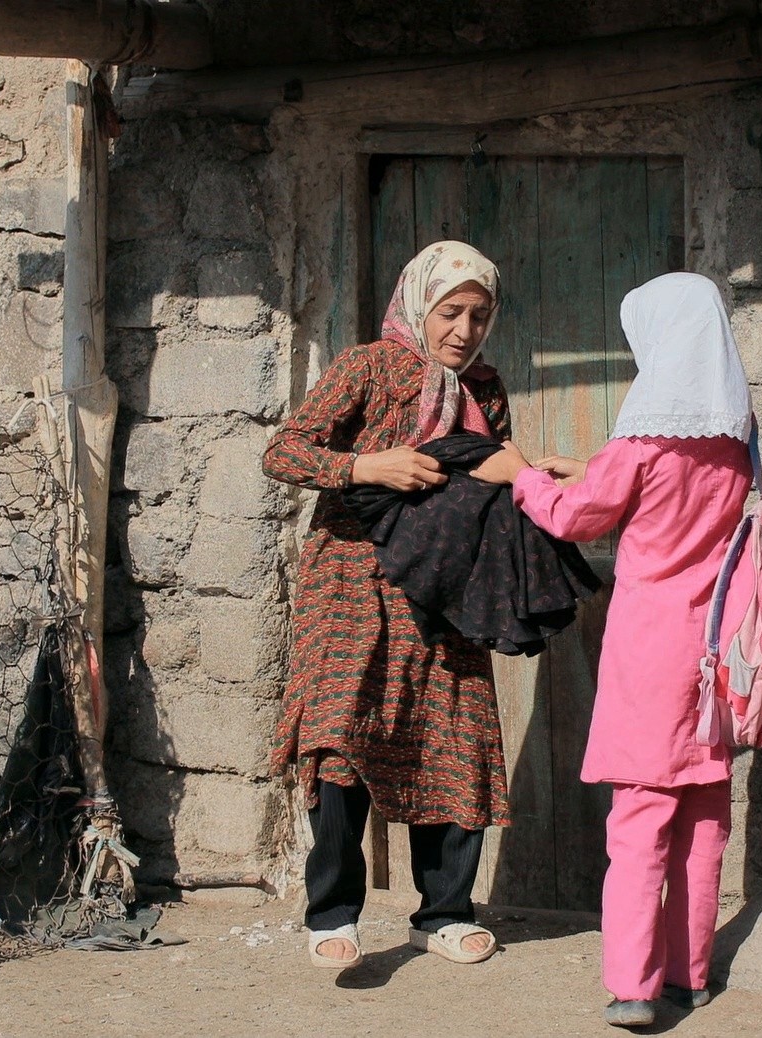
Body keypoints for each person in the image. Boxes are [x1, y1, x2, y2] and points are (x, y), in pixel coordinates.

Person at [262, 240, 528, 972]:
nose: (464, 330)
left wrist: (541, 481)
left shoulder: (485, 387)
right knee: (340, 736)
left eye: (479, 315)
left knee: (454, 738)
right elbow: (283, 452)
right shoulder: (368, 367)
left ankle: (442, 914)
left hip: (443, 589)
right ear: (421, 305)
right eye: (451, 312)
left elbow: (490, 470)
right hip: (351, 585)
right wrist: (361, 467)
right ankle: (333, 912)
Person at [511, 272, 754, 1029]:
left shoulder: (639, 439)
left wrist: (520, 478)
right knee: (705, 819)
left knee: (640, 819)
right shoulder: (734, 434)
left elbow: (577, 515)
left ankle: (633, 986)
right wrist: (598, 472)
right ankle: (690, 977)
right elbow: (672, 495)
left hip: (651, 648)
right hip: (717, 650)